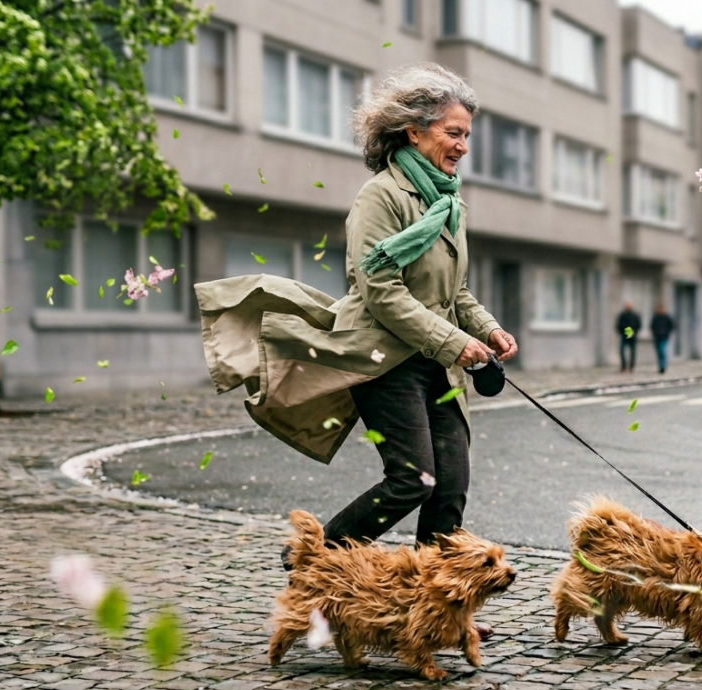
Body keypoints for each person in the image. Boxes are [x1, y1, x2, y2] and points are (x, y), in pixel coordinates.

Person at [194, 64, 516, 638]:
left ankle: (436, 613)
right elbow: (381, 291)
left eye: (467, 134)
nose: (463, 146)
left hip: (436, 363)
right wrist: (454, 340)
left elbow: (455, 290)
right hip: (383, 360)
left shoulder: (448, 203)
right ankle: (314, 570)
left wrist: (487, 329)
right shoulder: (381, 197)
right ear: (413, 133)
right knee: (412, 481)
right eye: (453, 132)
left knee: (451, 487)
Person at [650, 304, 675, 374]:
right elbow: (652, 326)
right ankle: (660, 366)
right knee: (659, 352)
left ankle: (663, 366)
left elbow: (671, 326)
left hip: (664, 337)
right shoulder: (655, 317)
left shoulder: (667, 317)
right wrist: (655, 333)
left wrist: (666, 333)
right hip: (657, 337)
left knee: (662, 351)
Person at [616, 301, 641, 372]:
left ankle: (631, 366)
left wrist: (634, 332)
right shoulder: (622, 315)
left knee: (632, 351)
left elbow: (638, 325)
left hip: (632, 335)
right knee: (622, 350)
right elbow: (619, 325)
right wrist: (622, 331)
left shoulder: (635, 315)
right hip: (624, 335)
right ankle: (624, 365)